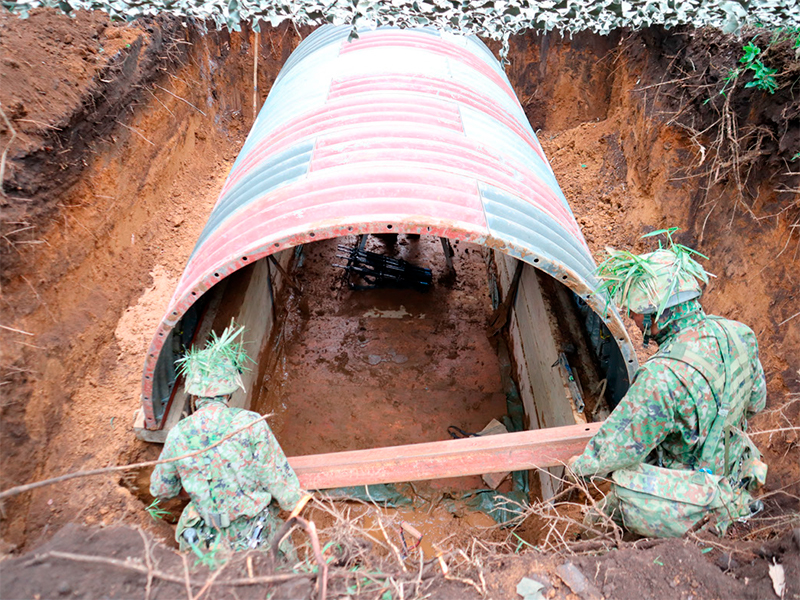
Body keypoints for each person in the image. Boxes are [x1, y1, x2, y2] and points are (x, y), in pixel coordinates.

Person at [568, 230, 767, 537]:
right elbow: (756, 403)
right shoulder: (741, 334)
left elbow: (615, 450)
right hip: (735, 476)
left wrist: (576, 468)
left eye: (636, 312)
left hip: (694, 503)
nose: (632, 319)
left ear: (656, 317)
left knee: (611, 500)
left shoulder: (662, 377)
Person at [150, 322, 304, 556]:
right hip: (255, 535)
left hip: (208, 541)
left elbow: (160, 489)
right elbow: (281, 485)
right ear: (229, 390)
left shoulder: (179, 434)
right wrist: (299, 506)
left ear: (194, 393)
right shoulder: (250, 424)